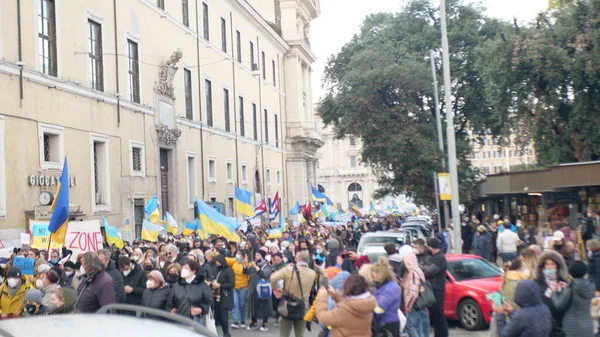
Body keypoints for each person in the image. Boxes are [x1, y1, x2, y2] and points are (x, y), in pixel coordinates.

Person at [270, 250, 316, 337]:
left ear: (297, 259)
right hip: (303, 306)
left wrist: (275, 289)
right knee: (300, 334)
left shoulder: (289, 270)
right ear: (308, 261)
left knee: (284, 334)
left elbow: (273, 278)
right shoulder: (312, 273)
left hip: (287, 305)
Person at [551, 261, 595, 337]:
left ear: (570, 274)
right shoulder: (590, 285)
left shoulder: (570, 289)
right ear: (585, 272)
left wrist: (554, 293)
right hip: (588, 324)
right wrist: (567, 287)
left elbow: (559, 305)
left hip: (572, 326)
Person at [534, 250, 569, 336]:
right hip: (544, 320)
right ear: (543, 266)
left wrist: (566, 289)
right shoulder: (537, 282)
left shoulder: (564, 282)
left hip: (561, 320)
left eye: (552, 264)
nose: (549, 267)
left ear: (558, 265)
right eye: (547, 264)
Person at [167, 259, 213, 325]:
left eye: (186, 268)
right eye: (183, 268)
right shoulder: (176, 285)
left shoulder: (203, 285)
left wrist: (201, 310)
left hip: (196, 322)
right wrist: (171, 311)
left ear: (193, 271)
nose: (183, 270)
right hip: (179, 322)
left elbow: (210, 303)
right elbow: (170, 303)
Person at [372, 257, 401, 337]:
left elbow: (380, 309)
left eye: (374, 272)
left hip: (387, 324)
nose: (372, 275)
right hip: (387, 322)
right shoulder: (387, 286)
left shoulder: (389, 288)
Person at [246, 250, 273, 331]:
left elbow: (264, 274)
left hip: (263, 288)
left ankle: (265, 323)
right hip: (254, 287)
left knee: (264, 305)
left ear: (262, 256)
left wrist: (255, 266)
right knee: (254, 305)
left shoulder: (267, 265)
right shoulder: (254, 264)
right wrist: (245, 265)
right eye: (255, 255)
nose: (256, 257)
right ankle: (253, 322)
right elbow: (247, 272)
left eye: (258, 255)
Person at [425, 238, 448, 337]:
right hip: (432, 288)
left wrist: (421, 269)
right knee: (434, 315)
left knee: (439, 314)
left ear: (432, 247)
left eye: (428, 247)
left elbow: (429, 272)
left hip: (437, 290)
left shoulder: (439, 258)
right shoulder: (433, 257)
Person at [402, 252, 428, 337]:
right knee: (418, 325)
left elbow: (413, 292)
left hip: (414, 304)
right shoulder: (418, 270)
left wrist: (409, 306)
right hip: (420, 303)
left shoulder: (412, 274)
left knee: (410, 325)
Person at [212, 254, 235, 337]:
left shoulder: (229, 270)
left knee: (223, 315)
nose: (216, 263)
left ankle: (226, 333)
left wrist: (220, 285)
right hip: (217, 295)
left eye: (218, 262)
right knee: (218, 315)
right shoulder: (217, 270)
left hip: (226, 295)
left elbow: (232, 284)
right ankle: (223, 332)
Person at [227, 249, 250, 329]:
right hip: (234, 287)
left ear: (243, 255)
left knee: (242, 304)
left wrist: (245, 265)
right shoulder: (234, 261)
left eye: (239, 253)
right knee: (235, 303)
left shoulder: (248, 263)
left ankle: (243, 320)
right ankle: (235, 321)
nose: (237, 255)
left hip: (243, 287)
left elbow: (248, 275)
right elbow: (226, 259)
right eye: (237, 253)